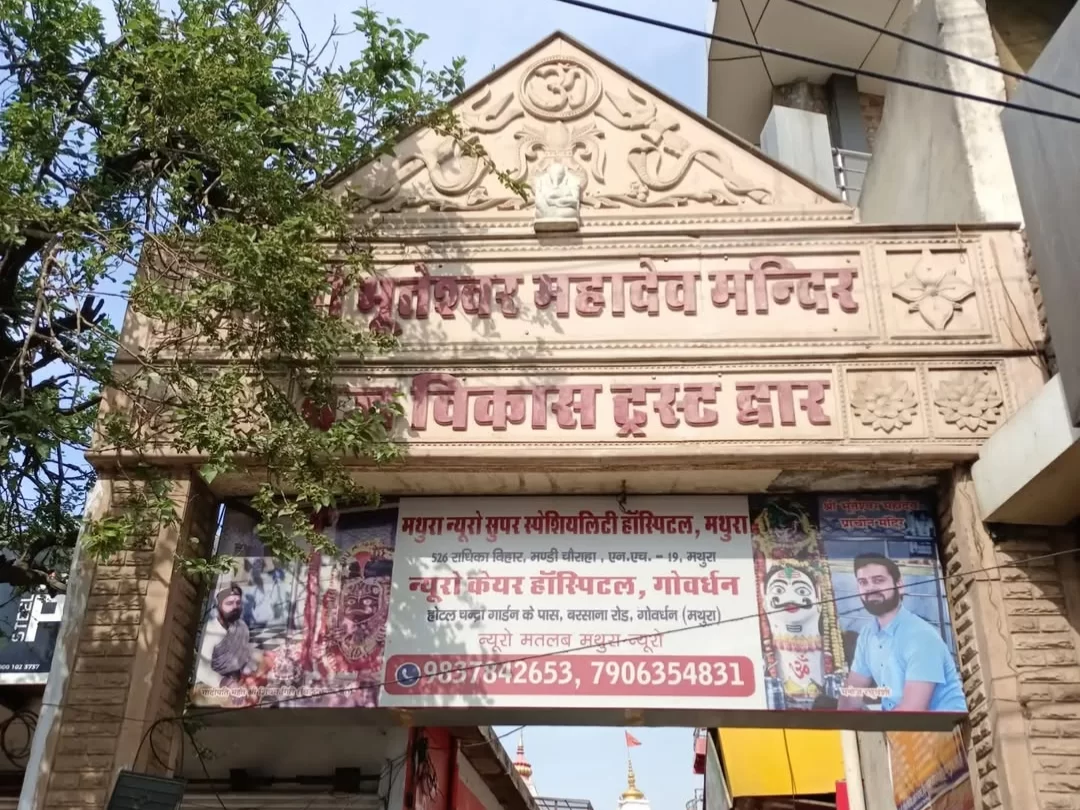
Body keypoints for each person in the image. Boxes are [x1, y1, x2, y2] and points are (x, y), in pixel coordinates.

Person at [837, 553, 966, 713]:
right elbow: (851, 696)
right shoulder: (867, 634)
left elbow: (913, 710)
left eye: (878, 580)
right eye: (863, 582)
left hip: (943, 732)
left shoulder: (920, 636)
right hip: (897, 728)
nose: (870, 588)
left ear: (899, 585)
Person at [210, 583, 258, 685]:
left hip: (238, 682)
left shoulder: (242, 627)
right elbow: (202, 668)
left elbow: (245, 656)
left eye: (238, 602)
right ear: (219, 605)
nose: (235, 607)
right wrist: (225, 682)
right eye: (229, 603)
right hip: (214, 685)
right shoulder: (211, 629)